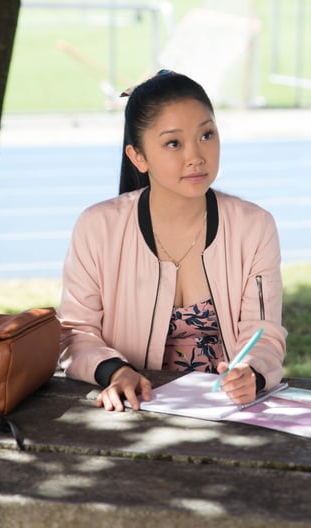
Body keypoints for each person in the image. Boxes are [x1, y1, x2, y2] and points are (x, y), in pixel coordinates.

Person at [57, 70, 286, 412]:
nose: (196, 156)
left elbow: (263, 332)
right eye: (173, 143)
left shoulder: (254, 227)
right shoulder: (97, 228)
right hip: (133, 409)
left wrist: (250, 370)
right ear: (138, 157)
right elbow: (75, 333)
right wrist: (115, 372)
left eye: (206, 135)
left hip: (227, 410)